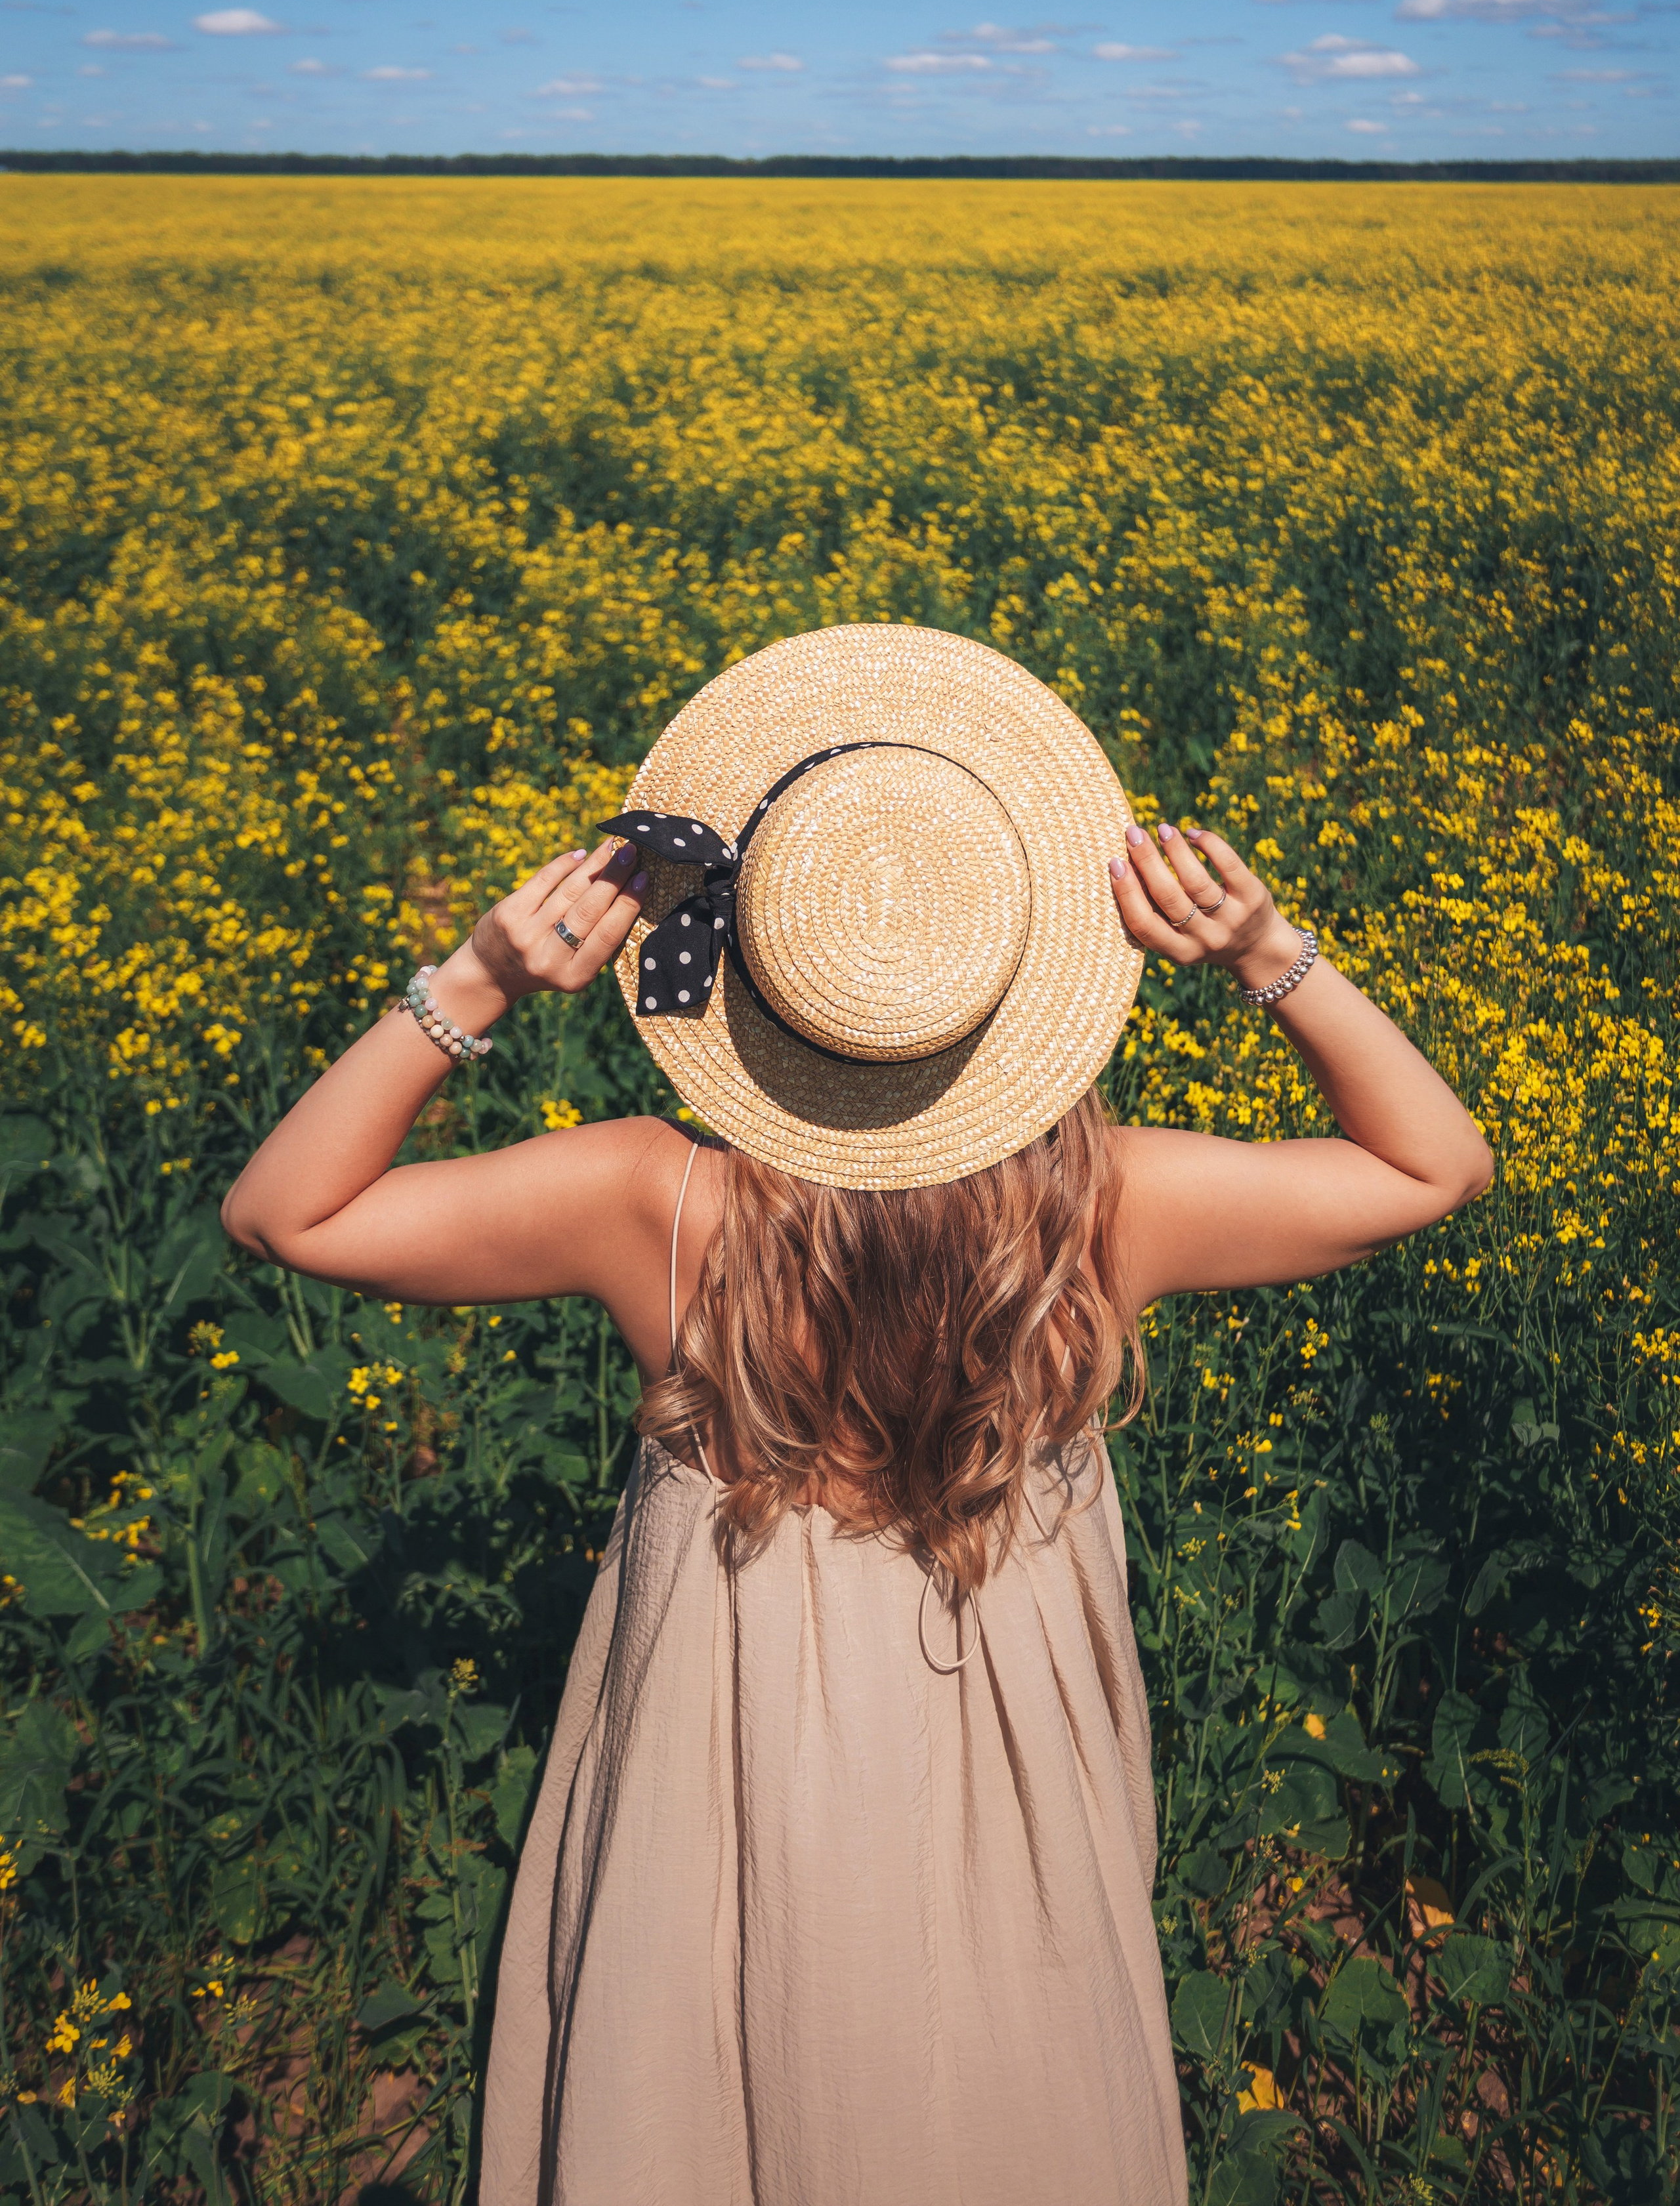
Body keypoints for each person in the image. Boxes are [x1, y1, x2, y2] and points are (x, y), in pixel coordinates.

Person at [222, 623, 1491, 2206]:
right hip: (1010, 1755)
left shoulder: (653, 1205)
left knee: (709, 2079)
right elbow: (1433, 1166)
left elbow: (285, 1214)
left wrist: (476, 976)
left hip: (723, 1761)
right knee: (998, 2073)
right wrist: (1263, 957)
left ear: (748, 971)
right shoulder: (1108, 1209)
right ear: (1019, 969)